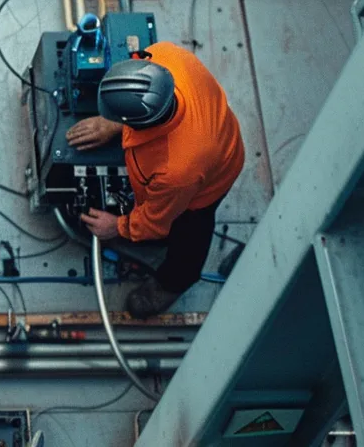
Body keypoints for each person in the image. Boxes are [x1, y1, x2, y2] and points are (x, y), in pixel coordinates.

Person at [65, 42, 244, 317]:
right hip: (215, 125)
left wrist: (118, 226)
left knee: (189, 233)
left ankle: (173, 283)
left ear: (141, 123)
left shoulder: (177, 170)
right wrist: (111, 123)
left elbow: (156, 221)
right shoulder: (164, 55)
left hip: (210, 177)